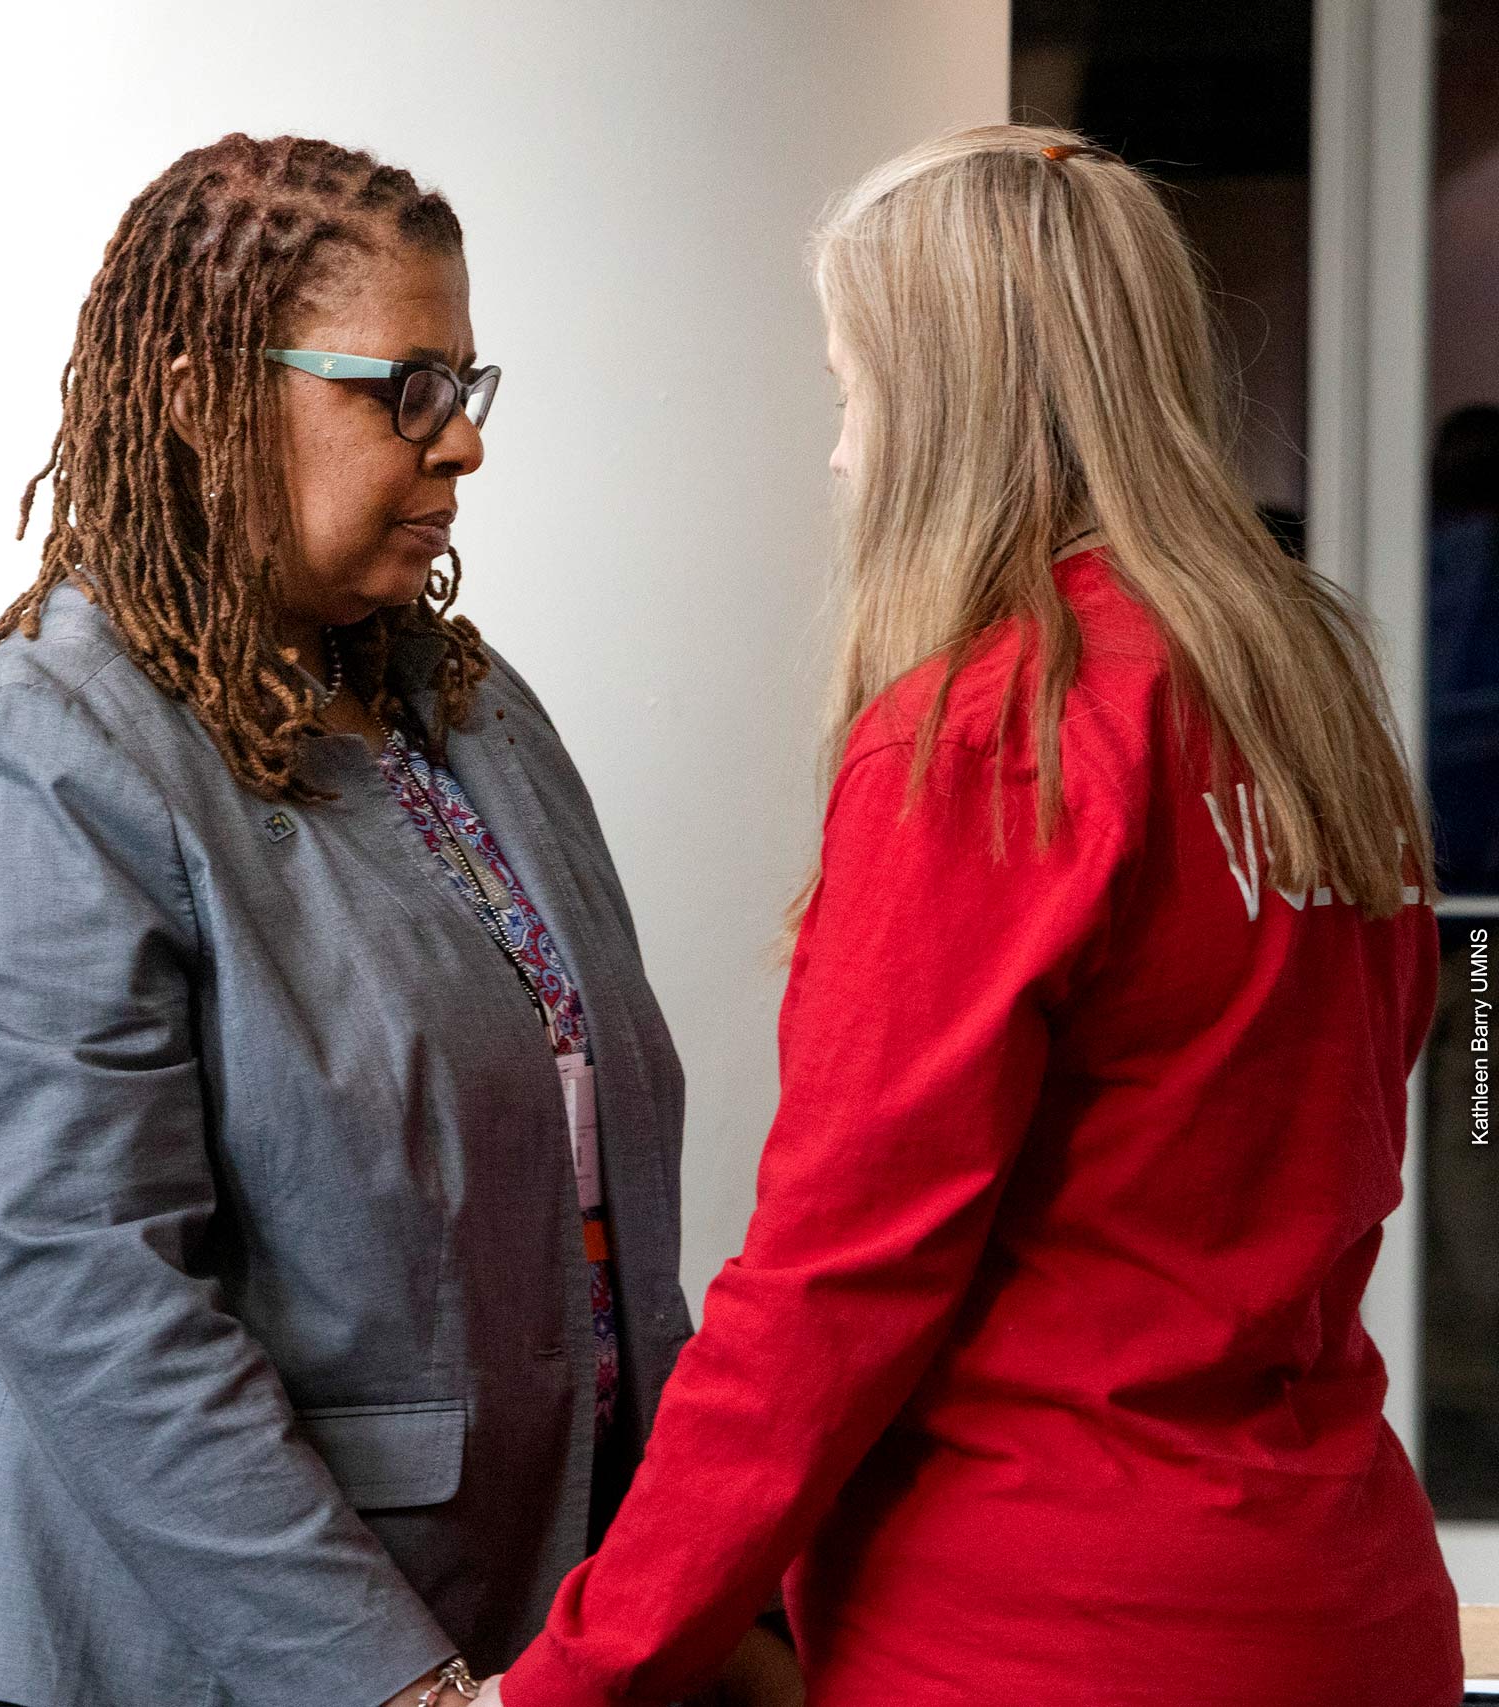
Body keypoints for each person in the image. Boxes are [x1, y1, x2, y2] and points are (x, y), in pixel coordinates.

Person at [0, 133, 793, 1707]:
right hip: (102, 1648)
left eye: (468, 386)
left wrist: (692, 1593)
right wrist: (387, 1682)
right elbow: (92, 1297)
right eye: (403, 390)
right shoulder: (47, 756)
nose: (460, 447)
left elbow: (592, 1214)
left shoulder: (472, 715)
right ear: (198, 400)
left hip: (467, 1620)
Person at [488, 125, 1461, 1707]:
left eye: (850, 388)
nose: (841, 451)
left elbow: (834, 1282)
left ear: (946, 401)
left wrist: (577, 1679)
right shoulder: (1311, 694)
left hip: (1050, 1634)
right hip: (1342, 1603)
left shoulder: (1001, 728)